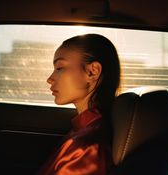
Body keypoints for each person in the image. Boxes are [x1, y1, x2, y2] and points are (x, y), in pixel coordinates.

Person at [38, 34, 121, 175]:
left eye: (59, 68)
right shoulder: (84, 130)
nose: (49, 79)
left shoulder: (87, 148)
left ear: (92, 71)